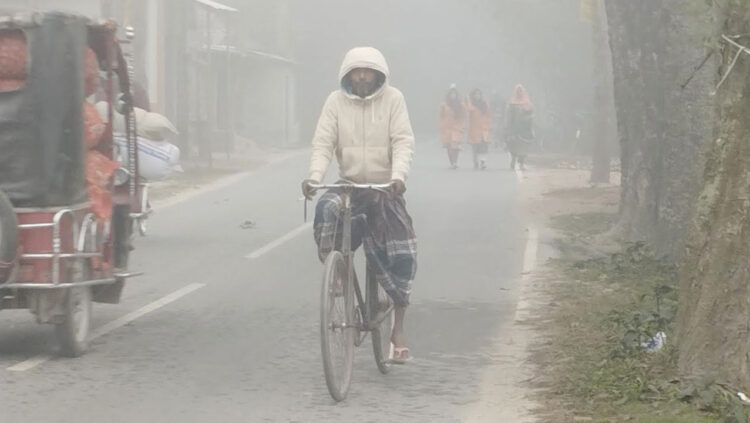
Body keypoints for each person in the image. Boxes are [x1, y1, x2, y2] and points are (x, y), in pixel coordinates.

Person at [301, 47, 417, 364]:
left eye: (368, 71)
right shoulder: (334, 102)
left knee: (401, 249)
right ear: (348, 74)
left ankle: (398, 330)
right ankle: (339, 270)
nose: (363, 76)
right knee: (327, 211)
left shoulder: (394, 99)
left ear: (379, 74)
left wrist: (398, 176)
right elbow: (323, 142)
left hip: (384, 186)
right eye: (357, 71)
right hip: (349, 185)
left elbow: (403, 141)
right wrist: (313, 177)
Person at [505, 84, 534, 170]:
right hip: (514, 128)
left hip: (525, 129)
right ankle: (513, 159)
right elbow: (509, 117)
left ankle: (521, 163)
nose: (520, 92)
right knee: (513, 145)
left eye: (521, 90)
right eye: (518, 90)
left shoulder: (528, 103)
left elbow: (532, 115)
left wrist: (529, 122)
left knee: (524, 147)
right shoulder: (511, 103)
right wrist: (508, 128)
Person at [439, 85, 466, 169]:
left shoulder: (461, 105)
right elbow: (441, 116)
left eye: (454, 94)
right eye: (451, 94)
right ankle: (452, 161)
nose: (453, 95)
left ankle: (455, 162)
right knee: (449, 147)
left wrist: (462, 126)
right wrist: (442, 127)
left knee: (455, 146)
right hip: (447, 128)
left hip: (457, 128)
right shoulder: (444, 105)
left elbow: (463, 116)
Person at [466, 88, 492, 170]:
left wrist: (488, 125)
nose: (477, 96)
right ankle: (475, 161)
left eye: (479, 94)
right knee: (475, 147)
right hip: (474, 129)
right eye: (475, 94)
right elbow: (468, 109)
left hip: (484, 128)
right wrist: (468, 100)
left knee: (484, 146)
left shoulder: (484, 104)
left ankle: (483, 162)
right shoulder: (471, 105)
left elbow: (488, 115)